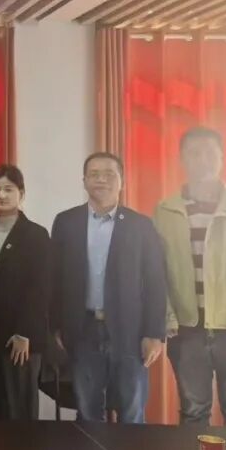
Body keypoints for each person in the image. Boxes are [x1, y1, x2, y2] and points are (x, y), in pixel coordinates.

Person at [153, 127, 226, 427]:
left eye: (209, 152)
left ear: (222, 158)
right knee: (193, 413)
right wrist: (167, 316)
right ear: (182, 159)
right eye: (194, 153)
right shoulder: (166, 210)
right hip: (187, 330)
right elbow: (155, 270)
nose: (202, 159)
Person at [51, 152, 167, 424]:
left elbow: (155, 282)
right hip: (83, 330)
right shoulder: (66, 222)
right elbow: (55, 278)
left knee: (132, 411)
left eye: (108, 174)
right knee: (88, 411)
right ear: (84, 181)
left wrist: (154, 333)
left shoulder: (141, 225)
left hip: (130, 332)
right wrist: (55, 326)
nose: (101, 180)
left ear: (122, 181)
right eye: (94, 174)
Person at [0, 164, 50, 421]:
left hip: (18, 336)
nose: (1, 195)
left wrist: (24, 332)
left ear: (21, 193)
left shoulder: (36, 235)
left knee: (18, 410)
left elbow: (40, 288)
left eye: (8, 189)